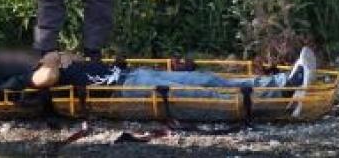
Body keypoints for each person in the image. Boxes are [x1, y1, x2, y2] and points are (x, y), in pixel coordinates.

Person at [31, 47, 318, 118]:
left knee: (204, 79)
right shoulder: (38, 69)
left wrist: (70, 57)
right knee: (200, 94)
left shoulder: (61, 62)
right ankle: (278, 102)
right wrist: (52, 59)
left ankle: (282, 84)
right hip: (125, 92)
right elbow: (43, 80)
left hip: (132, 77)